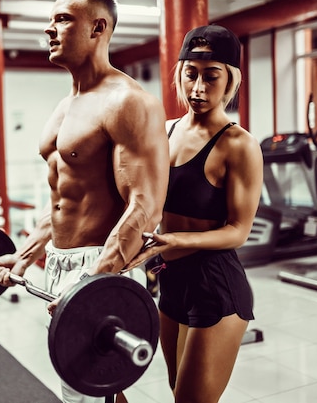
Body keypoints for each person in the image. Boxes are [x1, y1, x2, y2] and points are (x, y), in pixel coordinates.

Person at [0, 0, 169, 402]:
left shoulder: (128, 102)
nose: (49, 28)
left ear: (98, 27)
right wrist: (25, 253)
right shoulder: (64, 107)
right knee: (90, 379)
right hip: (63, 263)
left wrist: (91, 280)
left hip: (102, 262)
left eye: (64, 19)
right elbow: (63, 203)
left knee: (82, 389)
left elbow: (145, 206)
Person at [128, 24, 263, 403]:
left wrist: (173, 240)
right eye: (191, 74)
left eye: (211, 76)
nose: (198, 88)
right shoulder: (165, 131)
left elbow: (239, 230)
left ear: (230, 80)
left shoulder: (239, 144)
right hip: (170, 281)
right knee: (178, 394)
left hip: (215, 284)